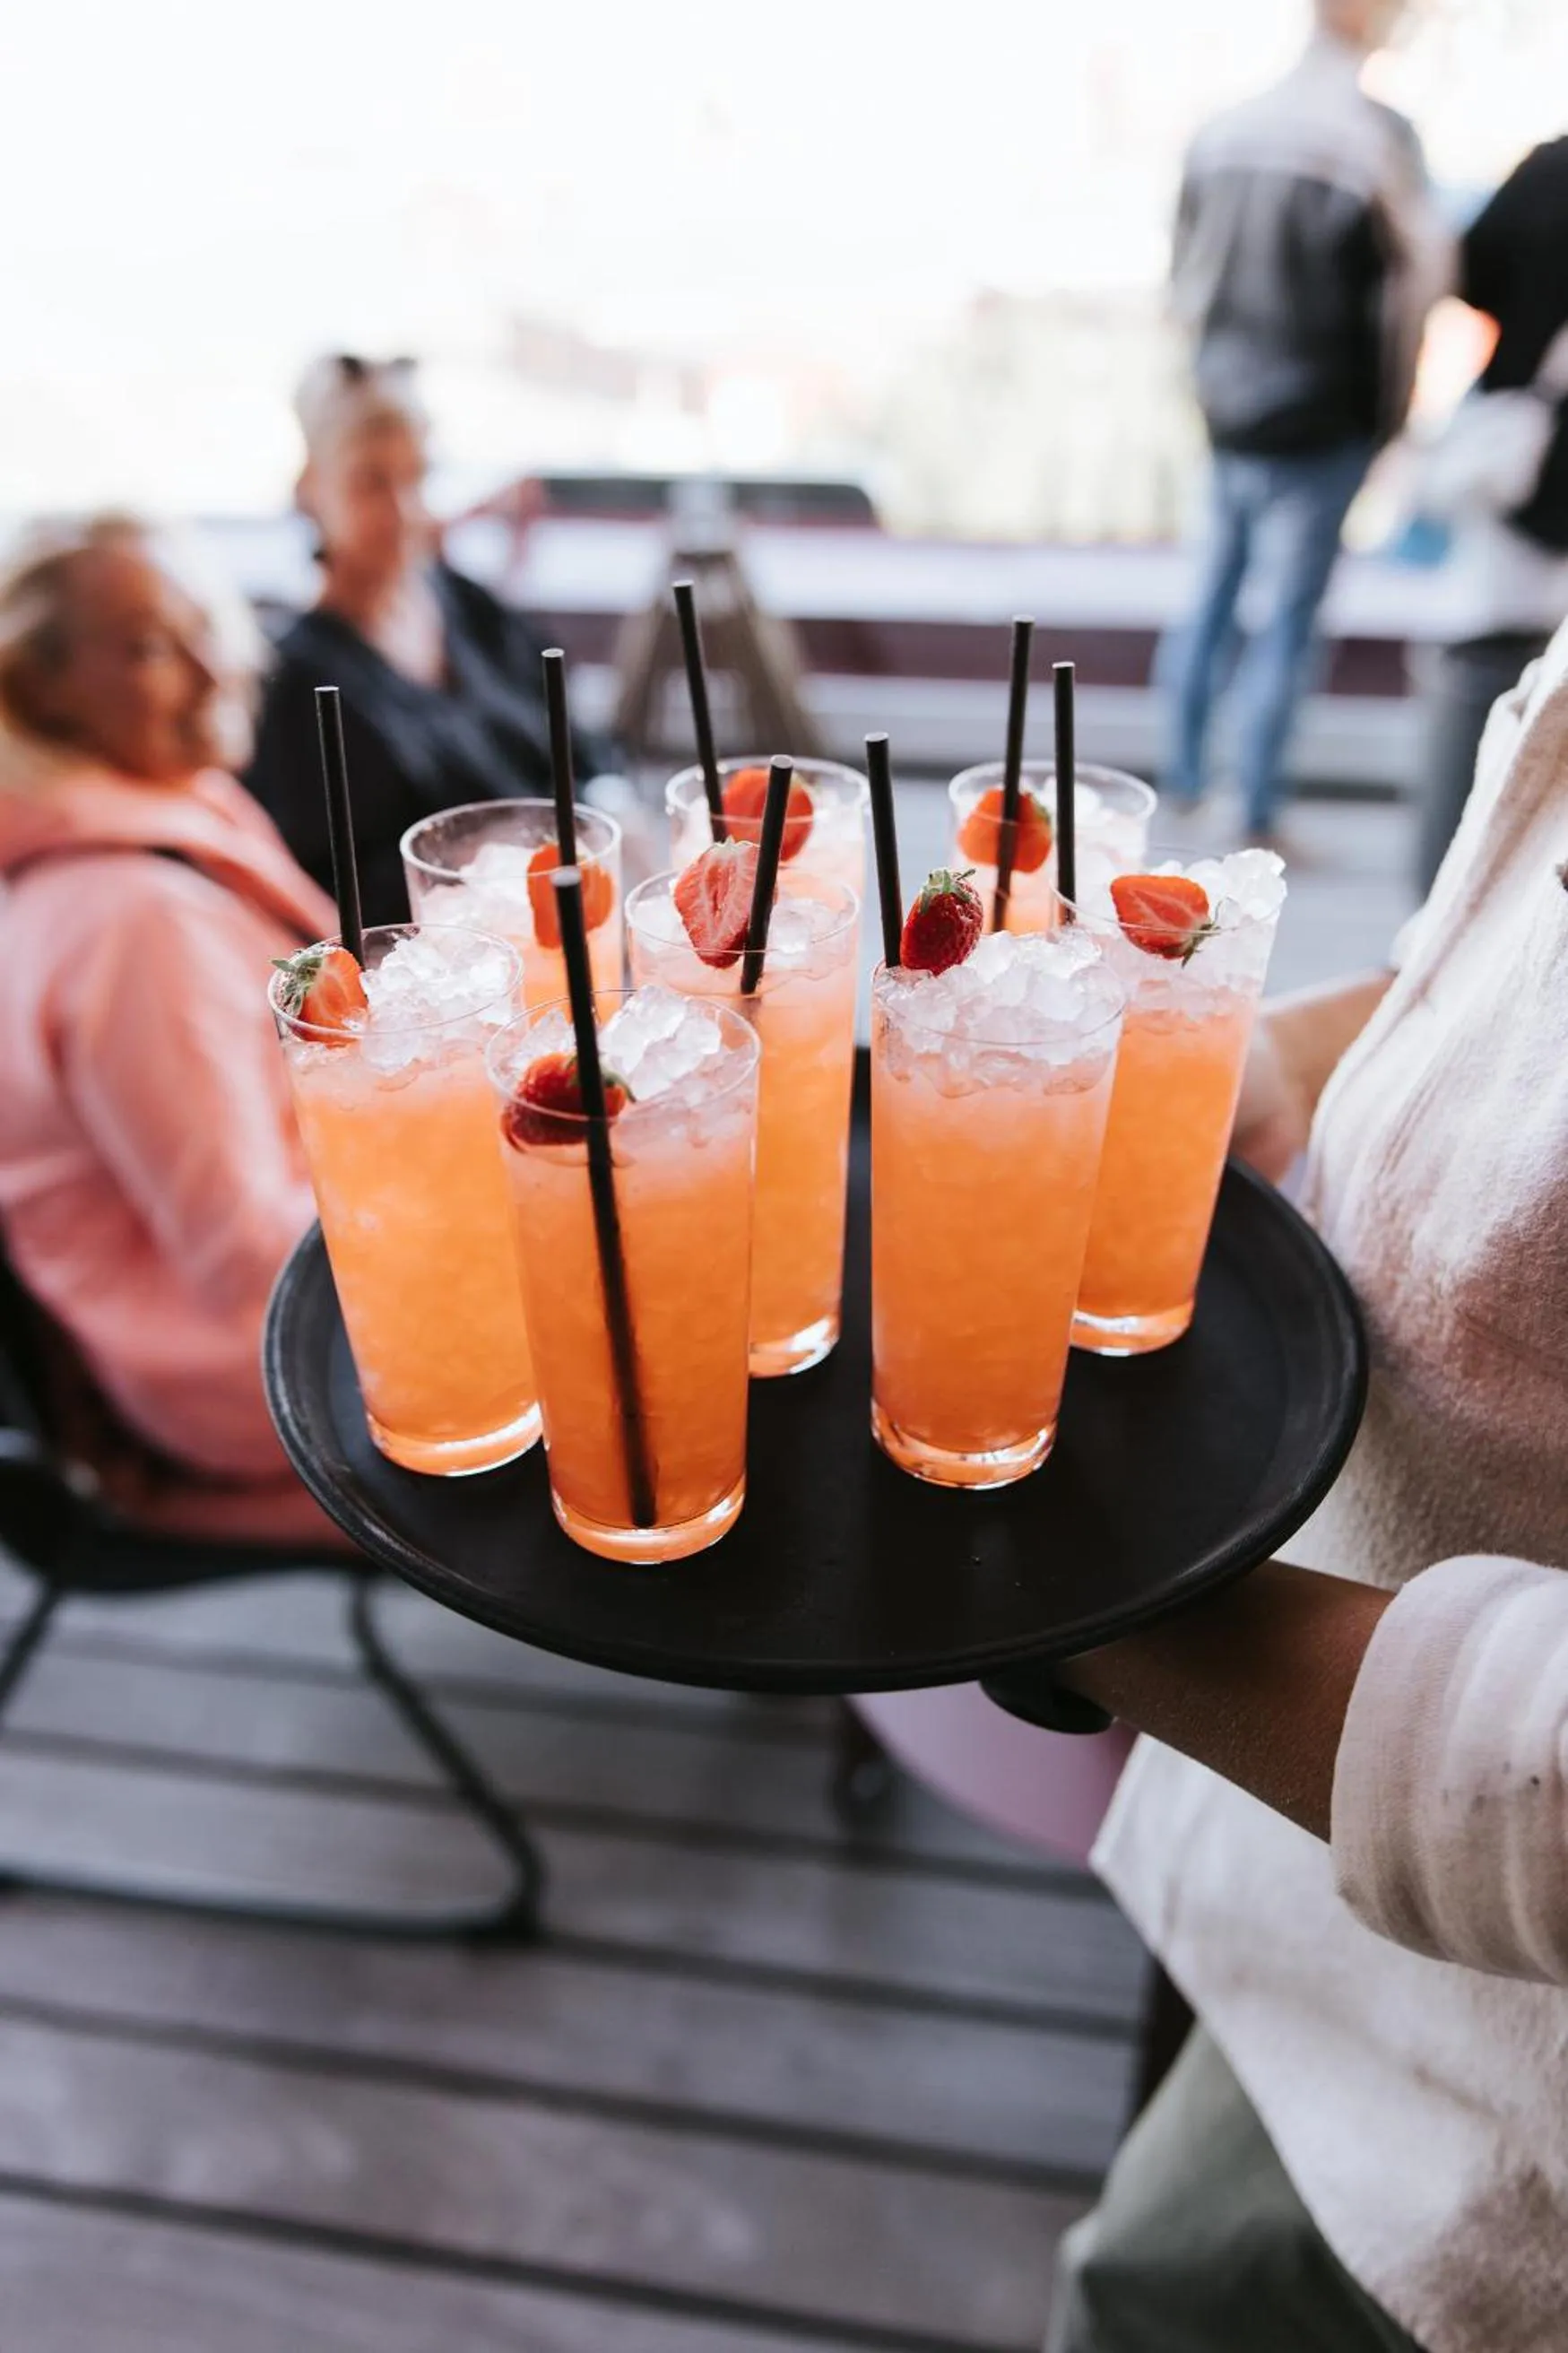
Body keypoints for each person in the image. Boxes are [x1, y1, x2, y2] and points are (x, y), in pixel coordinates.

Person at [1042, 616, 1568, 2349]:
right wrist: (1292, 1060)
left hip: (1508, 2153)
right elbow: (1497, 984)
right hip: (1314, 1910)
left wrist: (1071, 1603)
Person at [0, 515, 343, 1546]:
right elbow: (251, 1260)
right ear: (38, 687)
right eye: (151, 646)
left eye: (208, 624)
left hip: (282, 1294)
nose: (212, 668)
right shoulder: (137, 921)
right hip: (256, 1366)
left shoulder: (165, 803)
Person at [1160, 0, 1450, 848]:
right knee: (1287, 620)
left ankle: (1180, 784)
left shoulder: (1221, 131)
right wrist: (1389, 421)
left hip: (1226, 412)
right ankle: (1251, 808)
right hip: (1323, 421)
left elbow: (1181, 280)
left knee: (1207, 601)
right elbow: (1415, 288)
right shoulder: (1375, 140)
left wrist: (1205, 384)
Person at [246, 355, 610, 926]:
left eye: (416, 478)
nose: (402, 510)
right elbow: (333, 900)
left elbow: (579, 748)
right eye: (372, 483)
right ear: (311, 488)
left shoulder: (463, 604)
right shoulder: (295, 684)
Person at [1413, 135, 1568, 897]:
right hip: (1539, 453)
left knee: (1481, 681)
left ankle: (1441, 904)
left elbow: (1466, 273)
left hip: (1524, 446)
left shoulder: (1548, 165)